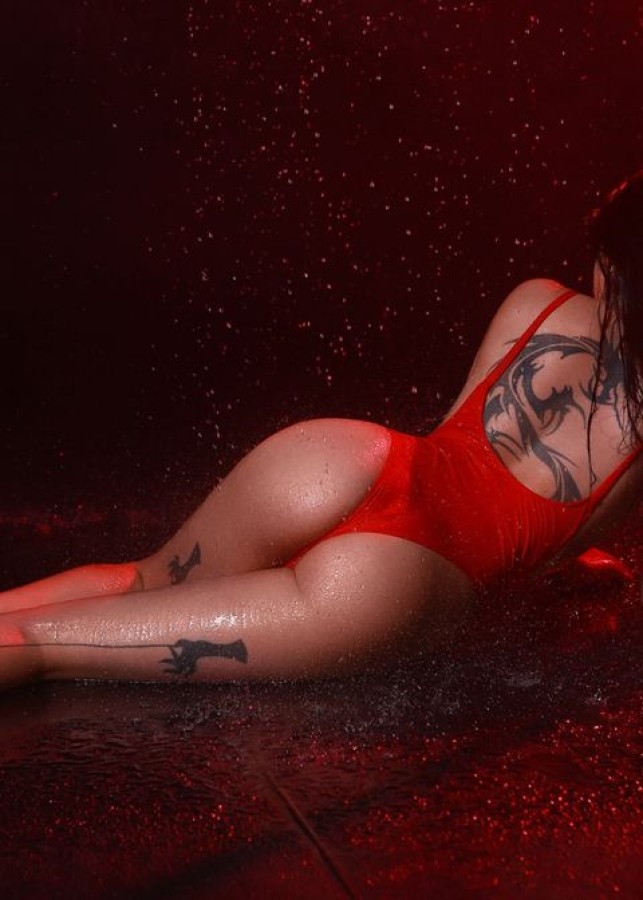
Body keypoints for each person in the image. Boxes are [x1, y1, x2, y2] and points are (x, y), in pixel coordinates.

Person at [1, 173, 642, 690]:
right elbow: (522, 556)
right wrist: (572, 563)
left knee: (140, 580)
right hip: (395, 583)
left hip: (348, 458)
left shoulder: (538, 299)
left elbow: (464, 449)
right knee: (44, 649)